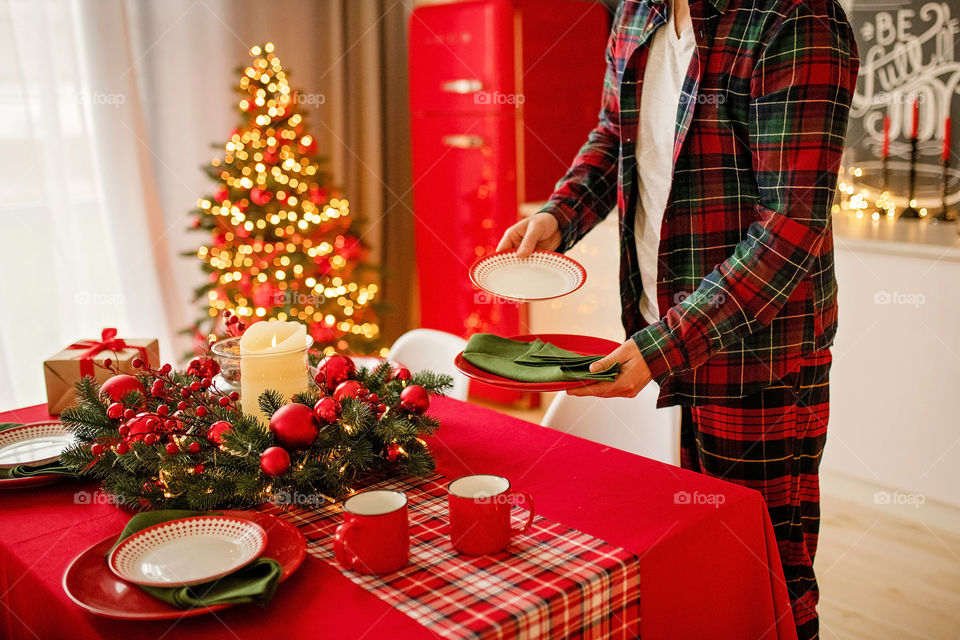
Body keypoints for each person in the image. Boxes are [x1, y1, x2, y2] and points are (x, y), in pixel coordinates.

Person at [496, 0, 859, 636]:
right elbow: (614, 134)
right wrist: (559, 215)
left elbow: (790, 226)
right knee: (698, 564)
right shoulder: (637, 12)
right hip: (664, 335)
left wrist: (664, 346)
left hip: (759, 360)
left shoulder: (797, 20)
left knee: (766, 582)